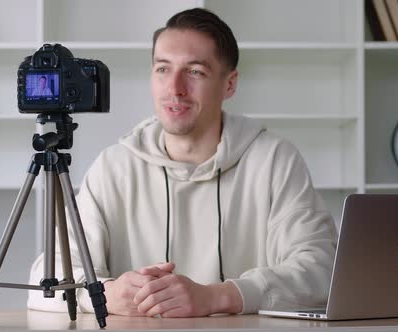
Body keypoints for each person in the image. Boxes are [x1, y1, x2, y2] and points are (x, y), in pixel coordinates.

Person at [28, 7, 337, 317]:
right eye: (163, 68)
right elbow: (44, 279)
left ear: (229, 84)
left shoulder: (274, 160)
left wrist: (219, 297)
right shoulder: (114, 166)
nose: (175, 88)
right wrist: (103, 293)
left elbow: (323, 270)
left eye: (195, 72)